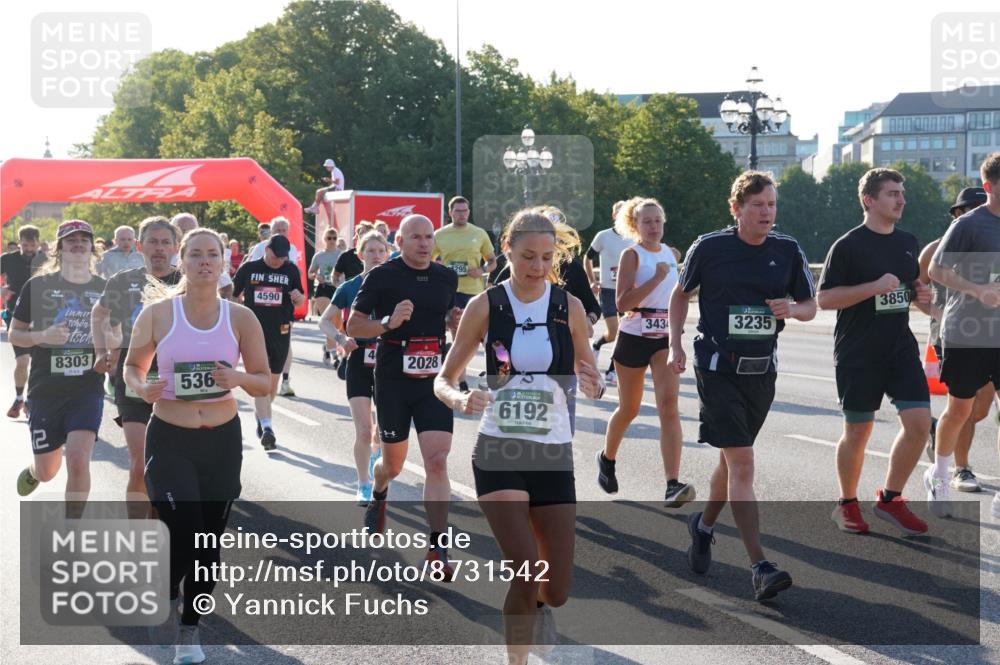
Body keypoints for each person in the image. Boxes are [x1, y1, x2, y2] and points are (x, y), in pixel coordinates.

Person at [434, 207, 603, 663]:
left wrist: (595, 382)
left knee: (558, 588)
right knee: (525, 571)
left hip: (552, 452)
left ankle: (539, 607)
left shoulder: (568, 307)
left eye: (547, 257)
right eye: (528, 255)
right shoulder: (486, 305)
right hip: (499, 449)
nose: (538, 266)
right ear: (505, 249)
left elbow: (591, 368)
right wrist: (459, 399)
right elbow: (443, 378)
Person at [124, 228, 270, 665]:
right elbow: (132, 366)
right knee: (185, 523)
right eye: (195, 255)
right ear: (181, 262)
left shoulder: (241, 318)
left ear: (224, 262)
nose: (205, 262)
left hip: (222, 443)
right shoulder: (158, 315)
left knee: (208, 542)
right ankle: (168, 587)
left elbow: (264, 381)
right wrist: (142, 386)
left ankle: (190, 628)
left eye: (213, 255)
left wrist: (239, 379)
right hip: (170, 438)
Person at [669, 171, 816, 601]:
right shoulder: (710, 247)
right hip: (716, 367)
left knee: (732, 464)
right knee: (744, 463)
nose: (767, 212)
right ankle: (760, 566)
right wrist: (674, 342)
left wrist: (793, 308)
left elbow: (810, 305)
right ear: (737, 209)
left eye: (771, 205)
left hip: (761, 372)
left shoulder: (787, 250)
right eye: (758, 205)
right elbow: (681, 294)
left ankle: (704, 525)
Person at [819, 168, 934, 535]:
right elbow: (824, 299)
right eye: (891, 194)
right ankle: (846, 504)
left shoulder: (908, 241)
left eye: (902, 193)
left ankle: (890, 498)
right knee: (858, 431)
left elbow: (908, 293)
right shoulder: (848, 245)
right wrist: (871, 287)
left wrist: (923, 299)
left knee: (919, 425)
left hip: (899, 348)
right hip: (859, 350)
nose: (900, 200)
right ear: (869, 200)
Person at [347, 214, 460, 574]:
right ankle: (379, 490)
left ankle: (438, 547)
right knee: (392, 466)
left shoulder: (446, 277)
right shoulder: (382, 275)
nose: (424, 243)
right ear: (400, 241)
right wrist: (386, 323)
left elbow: (450, 318)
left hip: (435, 381)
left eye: (429, 237)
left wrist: (454, 323)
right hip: (394, 379)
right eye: (416, 237)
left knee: (438, 460)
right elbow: (353, 324)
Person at [596, 197, 693, 506]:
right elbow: (621, 303)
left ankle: (672, 483)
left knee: (669, 406)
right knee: (630, 408)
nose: (653, 226)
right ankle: (607, 458)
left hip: (663, 336)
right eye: (646, 221)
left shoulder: (671, 254)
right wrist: (656, 278)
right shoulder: (631, 255)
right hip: (634, 335)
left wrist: (677, 338)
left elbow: (679, 295)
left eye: (658, 221)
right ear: (634, 225)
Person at [13, 220, 111, 507]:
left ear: (93, 247)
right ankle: (34, 471)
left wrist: (110, 351)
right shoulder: (39, 286)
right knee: (47, 471)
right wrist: (42, 336)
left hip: (87, 387)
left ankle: (73, 531)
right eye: (71, 240)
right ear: (59, 249)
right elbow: (16, 332)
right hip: (46, 389)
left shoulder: (105, 288)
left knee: (79, 461)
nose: (78, 244)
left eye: (84, 239)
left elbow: (116, 332)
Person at [929, 152, 1000, 523]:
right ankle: (940, 478)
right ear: (988, 187)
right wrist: (976, 290)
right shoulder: (970, 225)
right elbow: (935, 269)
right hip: (966, 333)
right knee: (960, 411)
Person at [91, 216, 180, 511]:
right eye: (152, 242)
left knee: (171, 465)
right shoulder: (124, 281)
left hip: (177, 384)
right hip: (134, 381)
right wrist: (101, 351)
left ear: (176, 247)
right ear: (141, 246)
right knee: (140, 464)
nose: (159, 248)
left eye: (165, 242)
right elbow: (98, 315)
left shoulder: (187, 283)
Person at [919, 186, 990, 492]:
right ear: (958, 214)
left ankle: (941, 432)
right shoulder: (936, 249)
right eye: (971, 207)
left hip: (990, 333)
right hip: (954, 334)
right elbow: (916, 290)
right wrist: (936, 312)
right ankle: (960, 468)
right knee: (963, 407)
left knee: (979, 410)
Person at [320, 231, 390, 503]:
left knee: (383, 430)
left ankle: (376, 451)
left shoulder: (396, 286)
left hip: (388, 362)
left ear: (388, 254)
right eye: (370, 251)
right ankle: (363, 484)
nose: (375, 256)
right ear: (360, 255)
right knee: (363, 429)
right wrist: (340, 338)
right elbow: (325, 321)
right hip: (359, 360)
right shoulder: (349, 288)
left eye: (380, 251)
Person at [233, 235, 305, 451]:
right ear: (266, 249)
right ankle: (267, 428)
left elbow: (301, 298)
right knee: (261, 382)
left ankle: (262, 417)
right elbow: (234, 297)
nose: (277, 262)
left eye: (282, 258)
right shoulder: (249, 268)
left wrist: (297, 297)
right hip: (254, 331)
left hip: (281, 330)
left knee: (271, 385)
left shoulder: (291, 270)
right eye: (275, 257)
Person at [586, 201, 633, 386]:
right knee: (614, 332)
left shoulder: (634, 236)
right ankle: (597, 345)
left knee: (623, 332)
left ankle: (612, 371)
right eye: (619, 213)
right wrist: (592, 280)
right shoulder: (603, 236)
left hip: (628, 291)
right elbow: (587, 258)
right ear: (614, 216)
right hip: (607, 290)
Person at [2, 224, 45, 419]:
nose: (29, 249)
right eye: (25, 245)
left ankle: (30, 400)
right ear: (19, 243)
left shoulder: (47, 260)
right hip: (17, 317)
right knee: (22, 361)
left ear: (38, 243)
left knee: (38, 362)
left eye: (32, 245)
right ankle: (19, 397)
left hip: (44, 316)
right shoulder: (7, 259)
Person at [433, 196, 497, 312]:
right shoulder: (439, 235)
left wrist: (482, 270)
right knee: (454, 328)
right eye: (458, 211)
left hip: (474, 292)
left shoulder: (479, 233)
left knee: (474, 328)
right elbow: (427, 261)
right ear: (450, 212)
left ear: (469, 212)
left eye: (465, 211)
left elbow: (493, 261)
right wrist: (440, 273)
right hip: (449, 290)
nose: (462, 214)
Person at [309, 228, 343, 363]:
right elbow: (310, 273)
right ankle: (334, 354)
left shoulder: (342, 255)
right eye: (329, 238)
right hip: (323, 289)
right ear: (324, 239)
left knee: (335, 324)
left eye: (334, 238)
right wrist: (316, 276)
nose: (332, 241)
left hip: (338, 289)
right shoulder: (319, 256)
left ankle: (328, 348)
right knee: (327, 320)